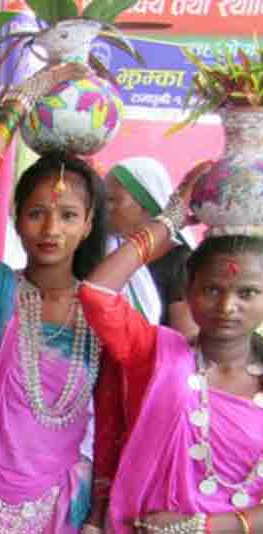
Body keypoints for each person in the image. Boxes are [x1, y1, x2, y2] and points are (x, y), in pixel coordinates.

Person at [0, 62, 108, 533]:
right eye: (37, 213)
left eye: (68, 215)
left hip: (57, 507)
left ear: (88, 223)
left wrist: (98, 516)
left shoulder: (103, 313)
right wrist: (22, 98)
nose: (51, 229)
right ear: (17, 218)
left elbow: (114, 422)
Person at [76, 164, 263, 533]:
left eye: (247, 293)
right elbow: (97, 294)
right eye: (212, 290)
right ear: (188, 291)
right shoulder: (158, 353)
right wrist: (169, 220)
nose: (227, 307)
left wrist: (200, 527)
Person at [105, 157, 197, 336]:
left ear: (145, 206)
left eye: (113, 200)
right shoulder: (106, 250)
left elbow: (186, 336)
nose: (105, 208)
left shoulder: (180, 261)